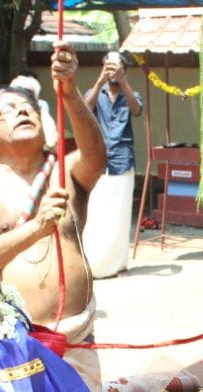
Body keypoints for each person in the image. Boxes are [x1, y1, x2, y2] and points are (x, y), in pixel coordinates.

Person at [0, 40, 107, 392]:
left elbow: (97, 157)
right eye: (7, 111)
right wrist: (36, 228)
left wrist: (70, 94)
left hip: (76, 337)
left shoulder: (64, 169)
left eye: (28, 107)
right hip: (17, 342)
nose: (21, 112)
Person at [82, 50, 142, 279]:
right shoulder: (95, 93)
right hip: (99, 159)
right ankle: (95, 263)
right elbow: (85, 109)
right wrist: (100, 80)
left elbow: (136, 109)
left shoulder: (131, 94)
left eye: (117, 67)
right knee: (97, 212)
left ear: (125, 71)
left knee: (119, 213)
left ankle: (117, 264)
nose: (113, 71)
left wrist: (122, 80)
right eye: (109, 67)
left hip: (122, 159)